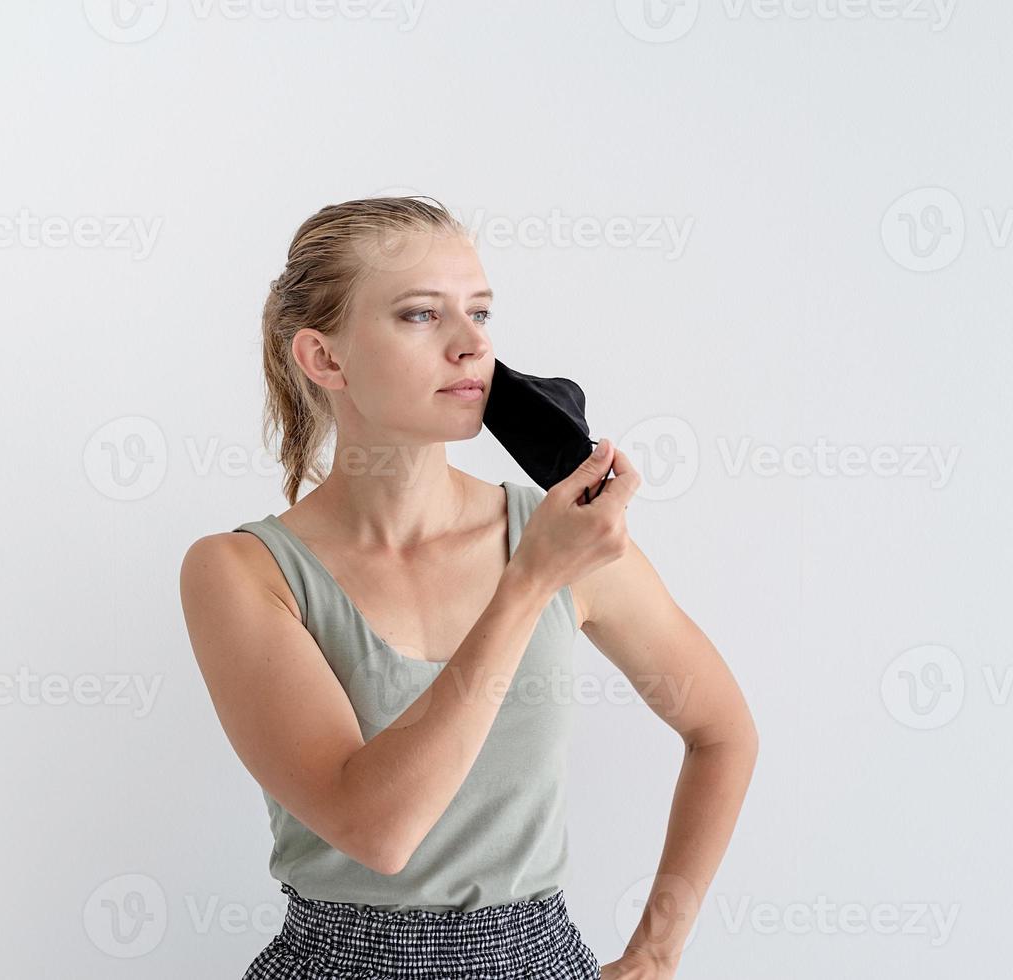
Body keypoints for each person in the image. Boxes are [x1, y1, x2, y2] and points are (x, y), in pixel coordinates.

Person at [179, 196, 758, 979]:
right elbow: (378, 831)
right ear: (324, 358)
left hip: (541, 961)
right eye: (420, 316)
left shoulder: (561, 532)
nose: (470, 344)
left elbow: (721, 732)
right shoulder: (241, 572)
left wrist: (656, 950)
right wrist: (529, 584)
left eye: (479, 312)